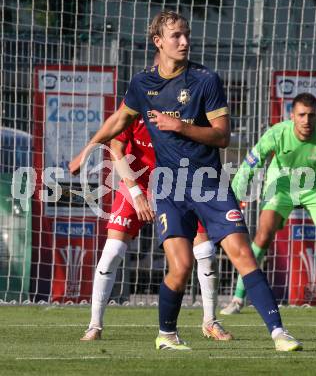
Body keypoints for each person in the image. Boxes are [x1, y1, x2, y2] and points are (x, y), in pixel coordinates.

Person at [70, 10, 301, 352]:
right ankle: (165, 334)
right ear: (158, 41)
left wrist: (180, 126)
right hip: (169, 187)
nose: (184, 41)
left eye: (186, 34)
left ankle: (279, 333)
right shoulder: (142, 84)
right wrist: (87, 149)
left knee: (242, 254)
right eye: (175, 35)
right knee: (180, 267)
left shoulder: (206, 80)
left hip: (209, 183)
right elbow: (120, 120)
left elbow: (222, 136)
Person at [81, 109, 232, 341]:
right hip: (137, 183)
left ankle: (210, 322)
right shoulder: (134, 107)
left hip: (177, 186)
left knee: (206, 251)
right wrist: (135, 193)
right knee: (112, 251)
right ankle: (94, 326)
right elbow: (116, 150)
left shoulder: (185, 107)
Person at [221, 92, 316, 315]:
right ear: (292, 116)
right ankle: (238, 298)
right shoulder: (277, 134)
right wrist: (234, 197)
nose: (306, 120)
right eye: (302, 115)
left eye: (312, 115)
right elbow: (250, 164)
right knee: (263, 234)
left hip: (315, 186)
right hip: (281, 186)